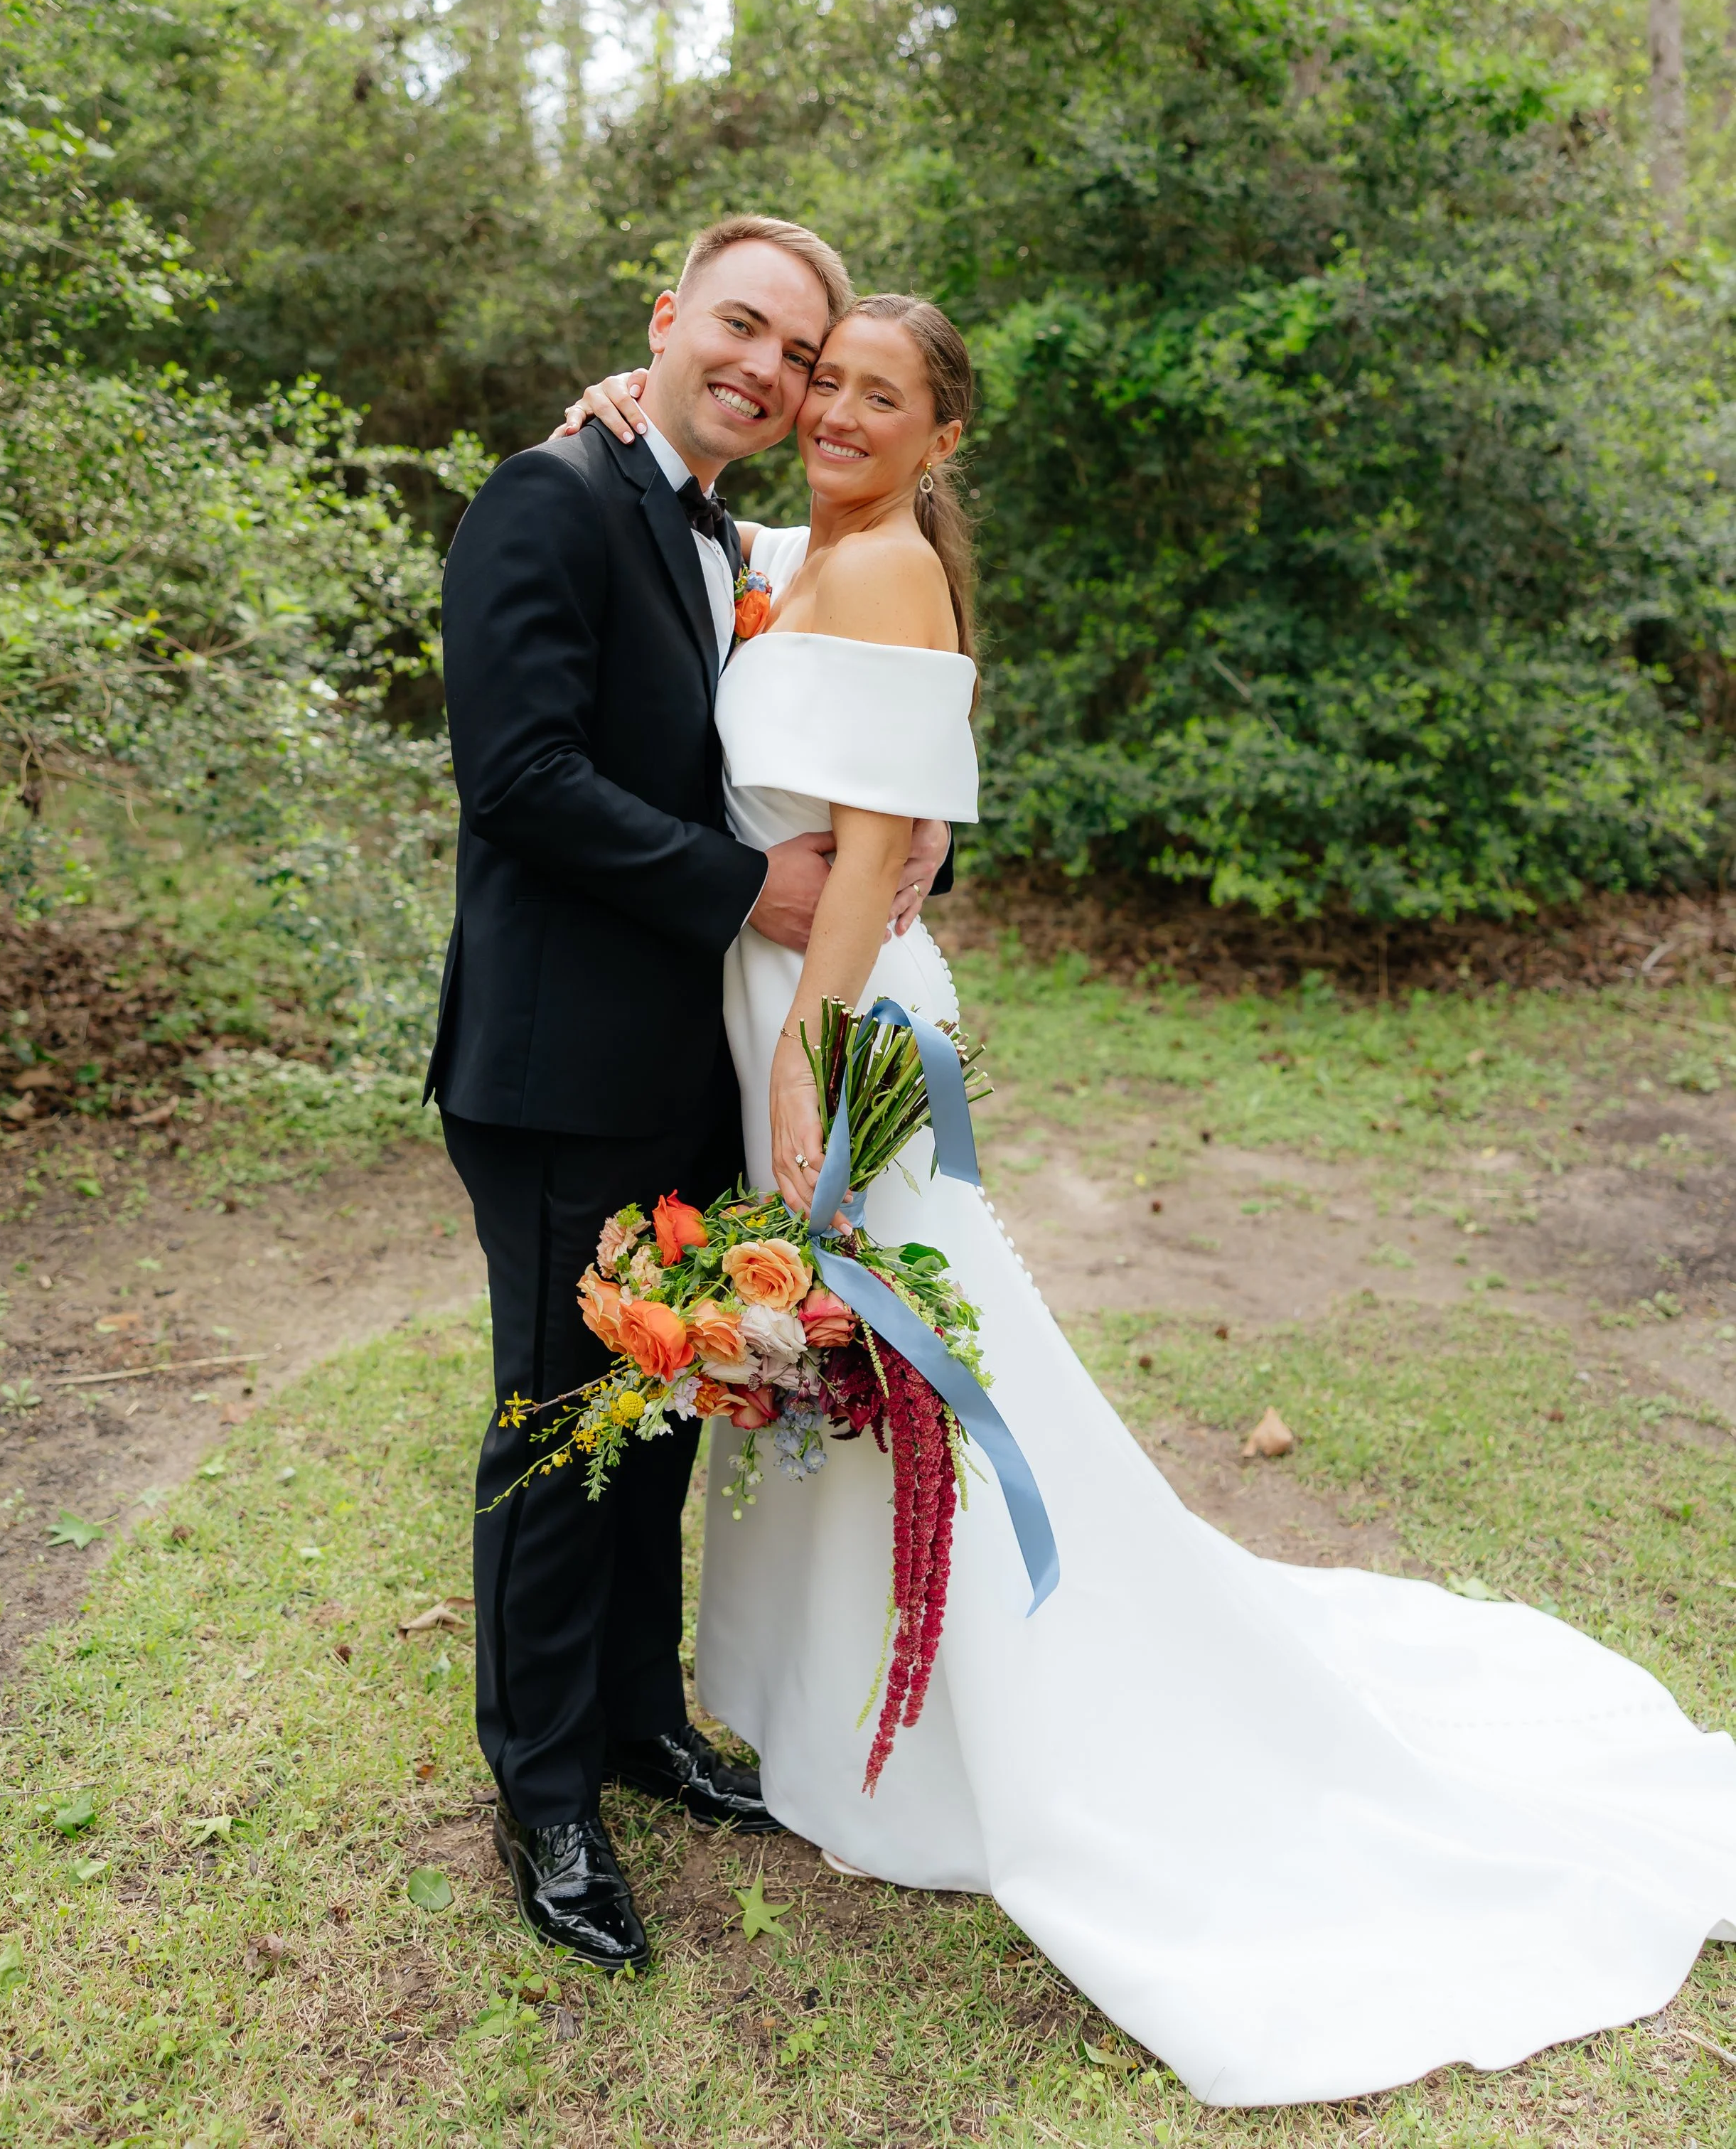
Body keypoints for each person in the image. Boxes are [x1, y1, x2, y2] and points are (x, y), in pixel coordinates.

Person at [558, 298, 1736, 2107]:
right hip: (775, 1008)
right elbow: (715, 532)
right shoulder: (818, 546)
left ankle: (995, 1738)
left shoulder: (883, 579)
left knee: (924, 1366)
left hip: (836, 1017)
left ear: (944, 435)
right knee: (867, 1369)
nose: (840, 412)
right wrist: (618, 405)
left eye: (882, 396)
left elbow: (876, 850)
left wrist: (804, 1054)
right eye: (828, 385)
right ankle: (849, 1723)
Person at [428, 218, 950, 1972]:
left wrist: (895, 826)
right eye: (741, 328)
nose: (769, 369)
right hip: (554, 1063)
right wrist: (755, 895)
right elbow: (522, 779)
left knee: (658, 1406)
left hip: (684, 1062)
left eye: (798, 356)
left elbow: (864, 642)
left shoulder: (718, 529)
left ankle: (640, 1727)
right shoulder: (547, 500)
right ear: (667, 321)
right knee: (557, 1430)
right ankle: (546, 1794)